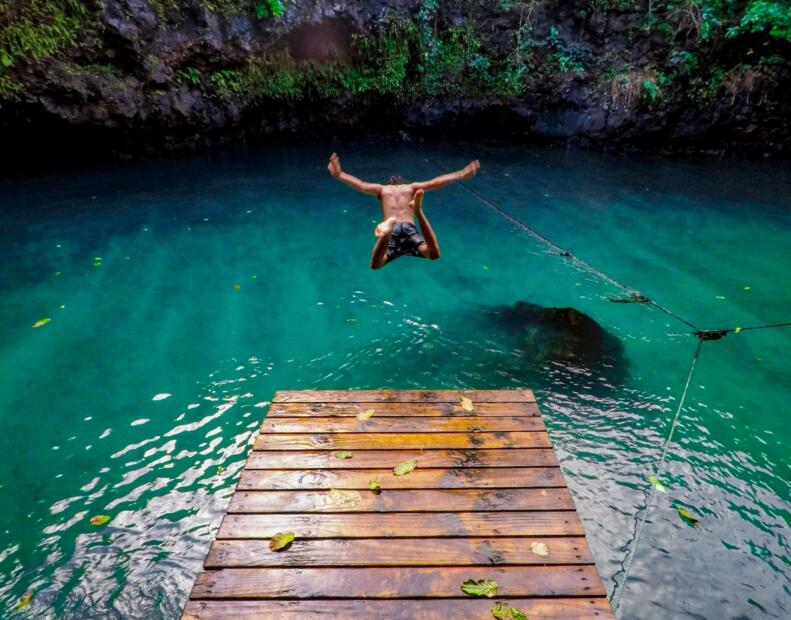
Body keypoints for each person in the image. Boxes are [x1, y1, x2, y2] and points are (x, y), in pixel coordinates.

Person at [327, 153, 480, 269]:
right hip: (409, 228)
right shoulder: (411, 188)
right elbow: (435, 183)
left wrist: (340, 174)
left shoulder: (382, 189)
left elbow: (360, 185)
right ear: (402, 183)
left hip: (393, 229)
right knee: (433, 255)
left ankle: (386, 233)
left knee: (376, 264)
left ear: (389, 183)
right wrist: (460, 173)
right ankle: (418, 210)